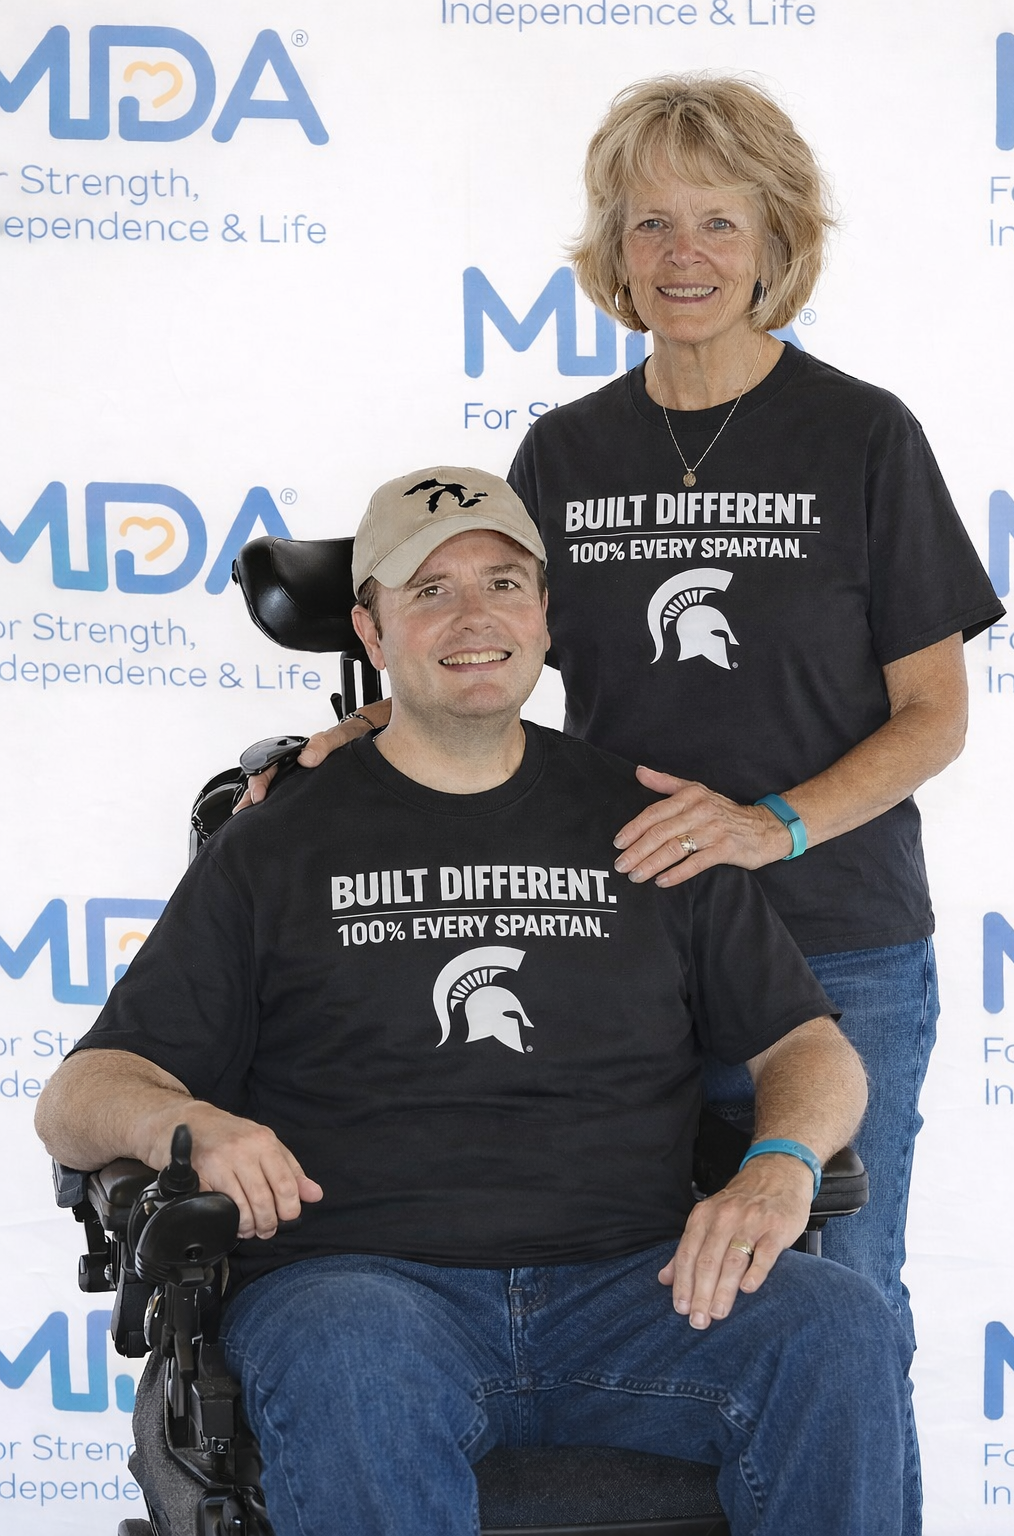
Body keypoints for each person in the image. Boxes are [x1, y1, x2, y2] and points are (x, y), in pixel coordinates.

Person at [245, 78, 1004, 1533]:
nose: (683, 254)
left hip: (835, 942)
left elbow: (934, 715)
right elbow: (491, 649)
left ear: (774, 236)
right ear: (613, 247)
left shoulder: (861, 435)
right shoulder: (565, 453)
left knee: (837, 1293)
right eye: (650, 222)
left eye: (717, 220)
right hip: (621, 950)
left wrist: (769, 823)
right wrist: (359, 736)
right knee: (654, 1302)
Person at [36, 469, 909, 1536]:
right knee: (351, 1351)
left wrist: (780, 1164)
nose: (474, 617)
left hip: (639, 1286)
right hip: (364, 1287)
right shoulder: (277, 846)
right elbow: (79, 1096)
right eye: (430, 590)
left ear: (543, 615)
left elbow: (806, 1046)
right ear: (372, 628)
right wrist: (188, 1126)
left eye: (502, 583)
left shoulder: (654, 825)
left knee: (834, 1324)